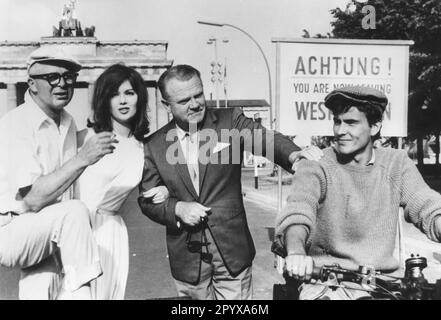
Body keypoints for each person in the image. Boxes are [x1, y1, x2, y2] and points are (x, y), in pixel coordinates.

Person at [138, 64, 322, 300]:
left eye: (198, 95)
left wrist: (294, 156)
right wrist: (177, 209)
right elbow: (147, 201)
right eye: (184, 100)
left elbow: (263, 138)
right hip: (187, 262)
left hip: (232, 254)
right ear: (166, 105)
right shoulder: (154, 145)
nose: (195, 104)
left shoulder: (229, 122)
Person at [275, 86, 441, 300]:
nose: (340, 130)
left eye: (351, 122)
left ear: (374, 127)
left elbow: (426, 204)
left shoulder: (396, 163)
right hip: (326, 283)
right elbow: (299, 210)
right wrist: (296, 253)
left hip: (384, 285)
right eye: (337, 121)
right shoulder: (317, 164)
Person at [0, 46, 117, 299]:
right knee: (74, 211)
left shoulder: (67, 121)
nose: (62, 84)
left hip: (50, 229)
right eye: (52, 77)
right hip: (12, 230)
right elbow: (32, 199)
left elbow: (90, 139)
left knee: (41, 290)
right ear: (31, 84)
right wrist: (83, 158)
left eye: (68, 77)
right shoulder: (15, 123)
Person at [77, 63, 168, 299]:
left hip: (111, 234)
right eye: (114, 94)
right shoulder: (83, 138)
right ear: (104, 100)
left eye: (129, 93)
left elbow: (152, 189)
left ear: (139, 97)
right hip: (76, 229)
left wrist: (163, 191)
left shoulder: (144, 149)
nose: (123, 101)